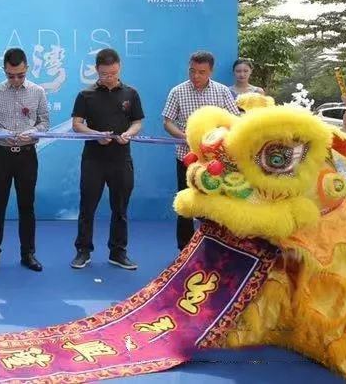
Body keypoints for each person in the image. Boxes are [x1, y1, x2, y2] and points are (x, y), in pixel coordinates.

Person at [70, 49, 144, 270]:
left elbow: (137, 122)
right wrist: (95, 134)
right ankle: (83, 251)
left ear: (119, 67)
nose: (109, 77)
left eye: (112, 73)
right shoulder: (86, 95)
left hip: (121, 158)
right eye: (104, 74)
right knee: (87, 207)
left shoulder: (131, 94)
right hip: (93, 159)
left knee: (120, 208)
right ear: (96, 70)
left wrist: (129, 133)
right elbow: (77, 124)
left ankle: (118, 252)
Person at [0, 48, 49, 272]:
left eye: (20, 75)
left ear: (27, 68)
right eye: (11, 75)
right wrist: (2, 133)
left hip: (27, 155)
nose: (16, 80)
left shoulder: (38, 91)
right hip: (1, 155)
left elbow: (45, 122)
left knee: (26, 206)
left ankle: (28, 254)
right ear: (4, 70)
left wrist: (33, 132)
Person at [162, 51, 240, 250]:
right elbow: (167, 122)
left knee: (215, 203)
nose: (195, 76)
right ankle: (184, 248)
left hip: (216, 162)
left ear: (210, 71)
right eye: (192, 71)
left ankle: (213, 246)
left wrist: (219, 140)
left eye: (201, 72)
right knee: (185, 202)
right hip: (186, 158)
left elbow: (234, 121)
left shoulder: (222, 92)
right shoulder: (177, 91)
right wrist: (184, 136)